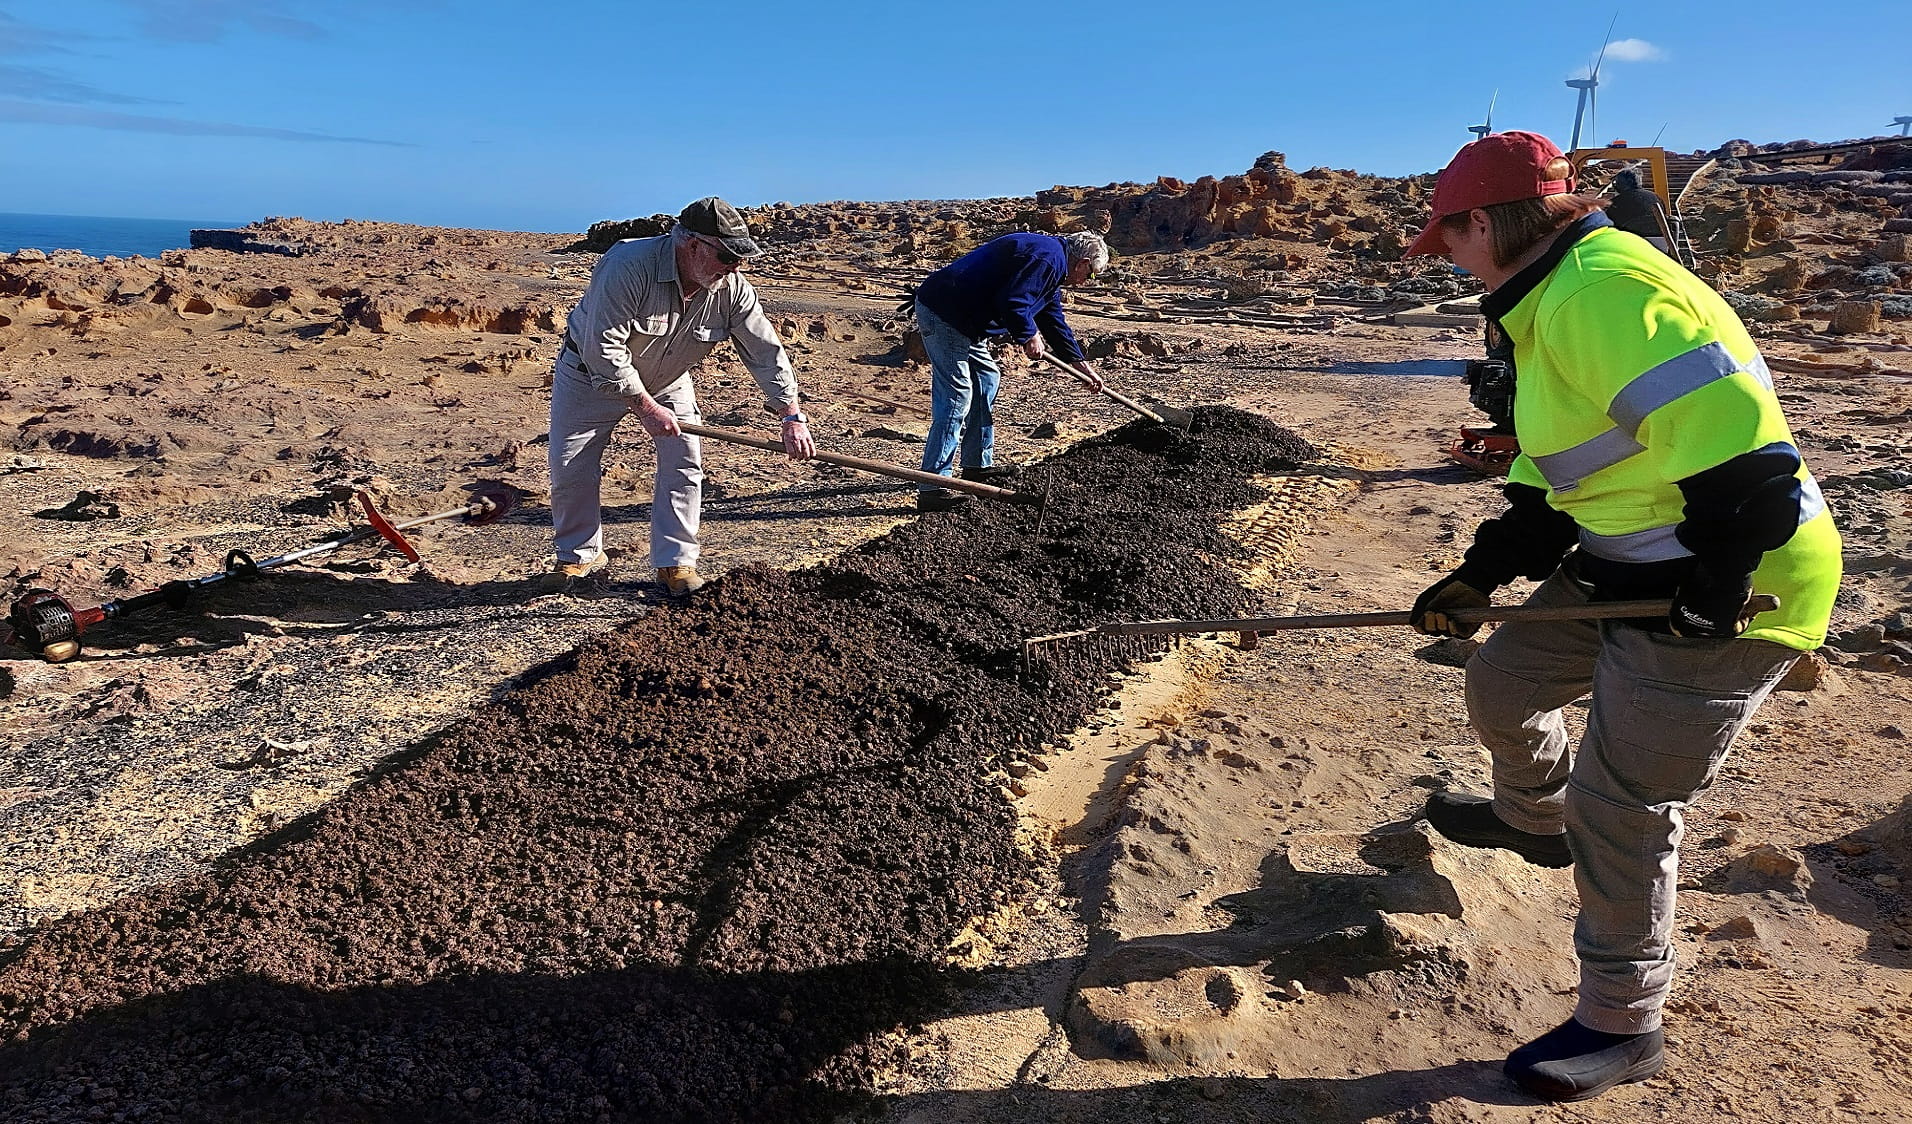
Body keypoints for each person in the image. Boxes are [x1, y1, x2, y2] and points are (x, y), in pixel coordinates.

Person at [1402, 131, 1841, 1102]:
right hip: (1626, 555)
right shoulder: (1549, 298)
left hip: (1737, 578)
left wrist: (1714, 591)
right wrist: (1479, 577)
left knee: (1623, 805)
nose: (1449, 260)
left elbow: (1749, 469)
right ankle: (1534, 821)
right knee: (1505, 679)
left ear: (1485, 224)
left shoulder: (1601, 293)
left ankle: (1623, 1020)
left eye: (1449, 240)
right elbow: (1555, 471)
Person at [546, 197, 815, 594]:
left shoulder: (731, 288)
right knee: (572, 465)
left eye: (741, 259)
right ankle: (578, 554)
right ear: (692, 246)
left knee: (684, 460)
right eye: (727, 257)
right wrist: (645, 407)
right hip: (590, 376)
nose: (734, 268)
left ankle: (676, 562)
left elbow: (764, 351)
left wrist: (790, 416)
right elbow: (604, 347)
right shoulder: (627, 267)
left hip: (668, 378)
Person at [908, 230, 1109, 512]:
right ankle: (933, 486)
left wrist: (1082, 366)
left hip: (967, 323)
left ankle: (976, 467)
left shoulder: (1053, 267)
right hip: (945, 314)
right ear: (1083, 263)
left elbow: (1053, 321)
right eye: (1091, 275)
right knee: (957, 396)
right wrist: (1029, 335)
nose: (1085, 282)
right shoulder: (1047, 259)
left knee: (987, 379)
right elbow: (1013, 300)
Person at [1604, 169, 1675, 253]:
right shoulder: (1655, 197)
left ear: (1621, 184)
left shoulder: (1616, 202)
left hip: (1630, 247)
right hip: (1662, 245)